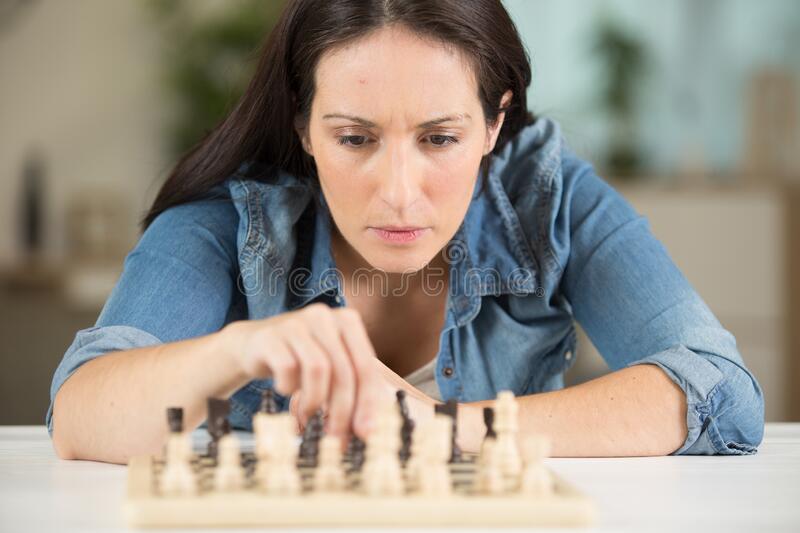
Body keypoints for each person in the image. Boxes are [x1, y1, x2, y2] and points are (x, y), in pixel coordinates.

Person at [48, 0, 763, 465]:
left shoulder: (552, 201)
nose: (396, 192)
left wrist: (448, 427)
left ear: (493, 123)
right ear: (302, 123)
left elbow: (721, 387)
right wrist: (241, 347)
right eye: (356, 138)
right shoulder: (229, 221)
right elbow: (81, 412)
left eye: (440, 138)